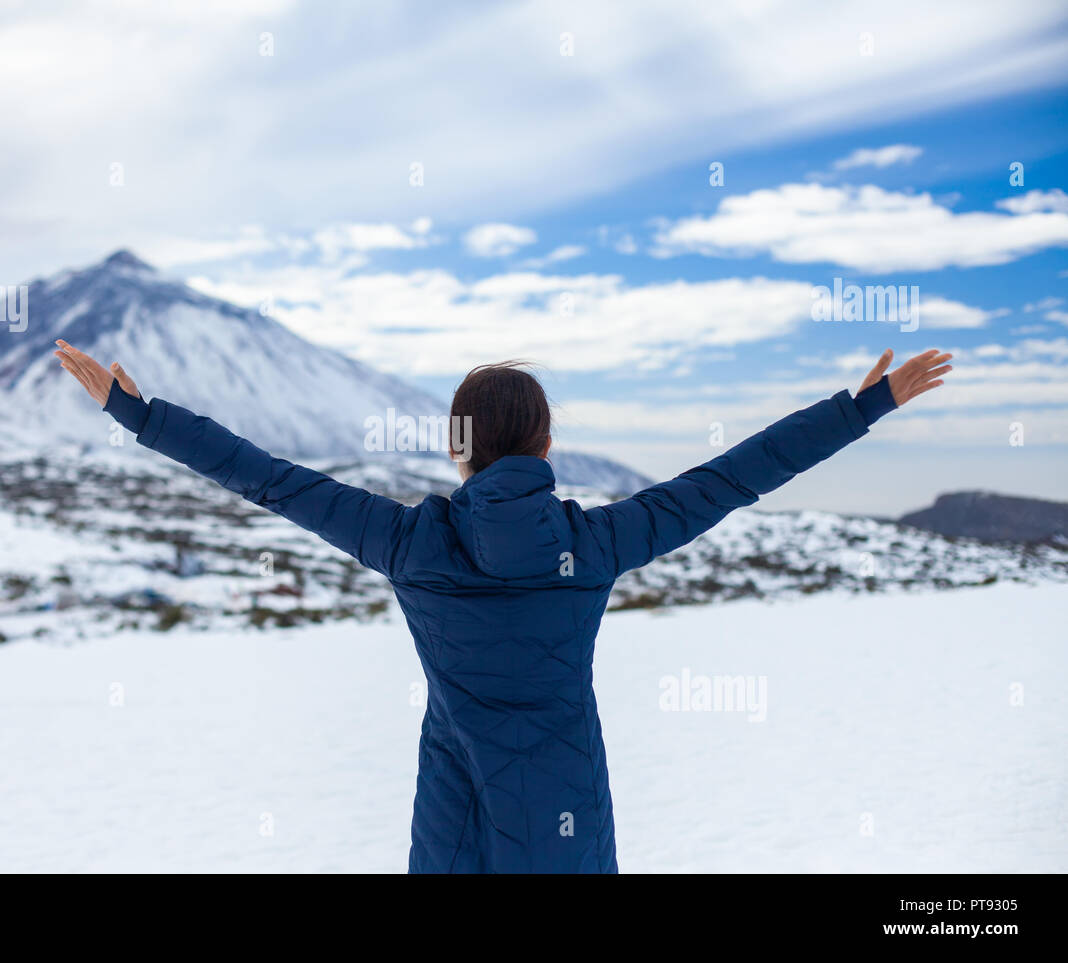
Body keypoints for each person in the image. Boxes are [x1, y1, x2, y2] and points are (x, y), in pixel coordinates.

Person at [55, 338, 951, 873]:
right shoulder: (597, 542)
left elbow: (267, 479)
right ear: (548, 441)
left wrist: (140, 416)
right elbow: (732, 479)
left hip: (451, 817)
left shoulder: (405, 541)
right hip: (565, 814)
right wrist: (860, 407)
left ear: (456, 447)